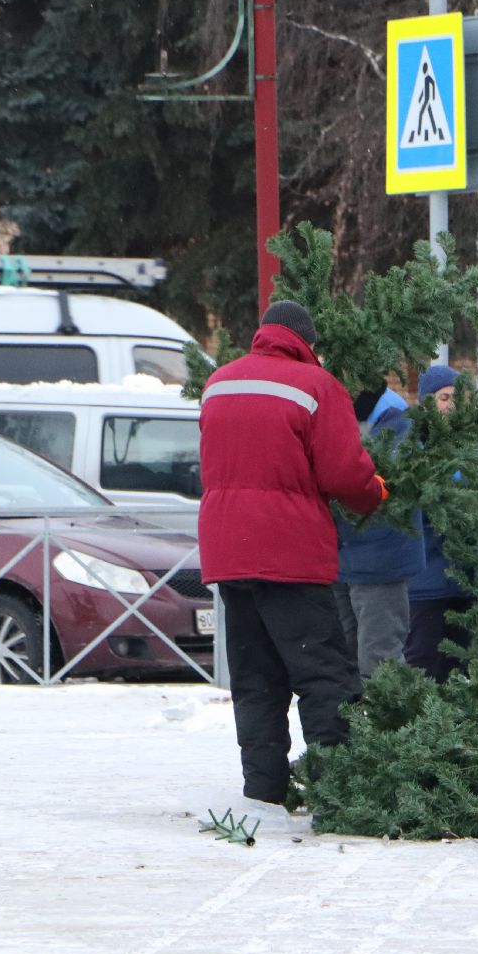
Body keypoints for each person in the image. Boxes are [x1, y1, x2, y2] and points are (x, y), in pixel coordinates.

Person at [198, 299, 387, 807]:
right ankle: (338, 791)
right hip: (290, 555)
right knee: (325, 675)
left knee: (255, 678)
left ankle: (262, 792)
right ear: (307, 341)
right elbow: (344, 474)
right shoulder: (316, 387)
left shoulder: (220, 382)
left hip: (229, 553)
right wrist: (375, 493)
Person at [403, 364, 478, 682]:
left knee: (460, 665)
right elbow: (416, 498)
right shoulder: (413, 444)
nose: (452, 404)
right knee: (423, 660)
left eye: (458, 396)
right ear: (426, 402)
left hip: (471, 576)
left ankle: (454, 728)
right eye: (443, 397)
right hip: (428, 579)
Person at [333, 383, 425, 680]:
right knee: (342, 661)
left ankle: (388, 725)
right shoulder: (336, 406)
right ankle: (351, 727)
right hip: (341, 557)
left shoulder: (393, 416)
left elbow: (389, 479)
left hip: (380, 559)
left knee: (379, 661)